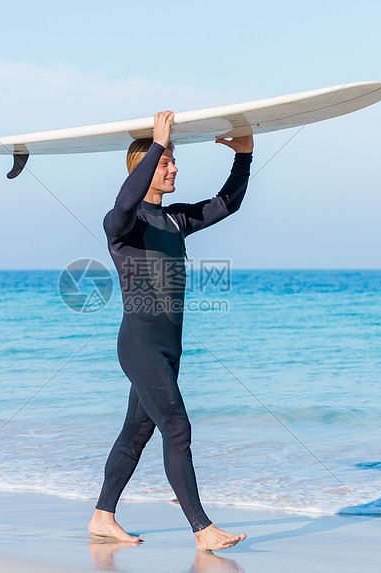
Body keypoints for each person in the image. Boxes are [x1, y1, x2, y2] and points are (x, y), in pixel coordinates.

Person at [88, 111, 253, 550]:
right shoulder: (122, 225)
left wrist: (245, 155)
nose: (173, 167)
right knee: (177, 428)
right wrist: (156, 143)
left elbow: (225, 203)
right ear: (144, 169)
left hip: (167, 348)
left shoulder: (175, 220)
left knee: (137, 433)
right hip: (139, 344)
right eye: (165, 164)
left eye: (171, 161)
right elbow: (125, 201)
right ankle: (202, 530)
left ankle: (102, 517)